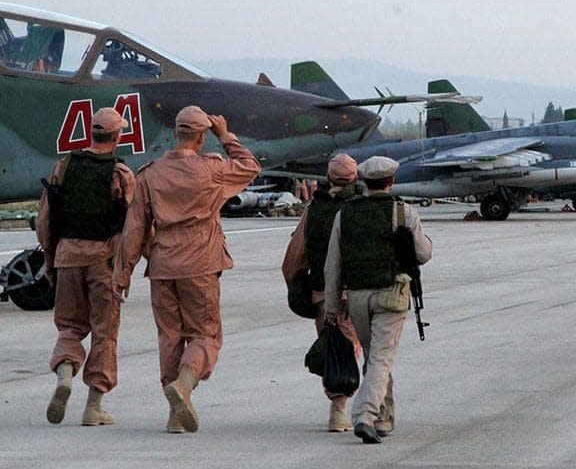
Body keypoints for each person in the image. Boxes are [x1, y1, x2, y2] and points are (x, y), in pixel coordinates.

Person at [112, 106, 260, 433]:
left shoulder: (149, 174)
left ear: (174, 133)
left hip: (163, 264)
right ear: (202, 136)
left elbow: (134, 230)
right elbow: (251, 167)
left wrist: (122, 275)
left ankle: (175, 415)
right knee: (205, 335)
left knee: (169, 336)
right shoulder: (212, 170)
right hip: (201, 262)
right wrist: (227, 137)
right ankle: (184, 385)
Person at [37, 107, 135, 426]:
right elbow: (129, 227)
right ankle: (94, 406)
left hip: (66, 255)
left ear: (91, 133)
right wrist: (124, 269)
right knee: (104, 332)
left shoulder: (63, 167)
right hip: (102, 259)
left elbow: (46, 220)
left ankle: (65, 374)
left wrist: (50, 259)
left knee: (69, 326)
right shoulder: (121, 174)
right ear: (117, 136)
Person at [323, 155, 432, 444]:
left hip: (357, 296)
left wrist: (332, 306)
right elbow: (423, 253)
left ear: (364, 182)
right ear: (391, 181)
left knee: (375, 357)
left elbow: (332, 264)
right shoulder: (402, 212)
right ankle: (365, 415)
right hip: (391, 294)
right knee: (382, 358)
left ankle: (384, 419)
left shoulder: (345, 214)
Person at [282, 154, 363, 432]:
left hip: (323, 294)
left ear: (328, 179)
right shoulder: (364, 207)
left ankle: (339, 408)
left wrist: (297, 287)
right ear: (355, 178)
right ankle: (352, 408)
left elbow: (294, 258)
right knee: (356, 349)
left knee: (334, 348)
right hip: (362, 293)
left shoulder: (314, 210)